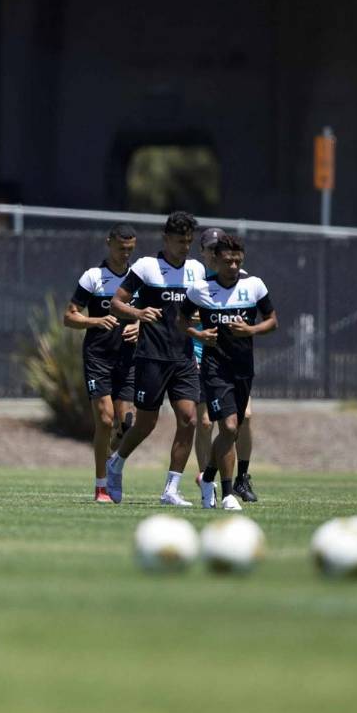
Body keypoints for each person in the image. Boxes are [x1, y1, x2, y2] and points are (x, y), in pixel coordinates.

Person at [105, 211, 206, 505]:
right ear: (166, 239)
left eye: (188, 241)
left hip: (184, 358)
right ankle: (117, 462)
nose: (185, 247)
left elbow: (196, 308)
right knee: (146, 423)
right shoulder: (147, 267)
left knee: (188, 420)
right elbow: (116, 304)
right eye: (179, 241)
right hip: (152, 357)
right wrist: (138, 313)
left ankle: (171, 490)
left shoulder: (197, 270)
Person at [180, 233, 277, 510]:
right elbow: (181, 320)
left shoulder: (254, 285)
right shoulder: (200, 289)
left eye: (237, 260)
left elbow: (272, 321)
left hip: (244, 368)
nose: (233, 266)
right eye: (227, 260)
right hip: (215, 367)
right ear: (216, 259)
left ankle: (207, 478)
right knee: (229, 426)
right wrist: (197, 336)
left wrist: (251, 330)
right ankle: (227, 494)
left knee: (232, 431)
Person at [64, 223, 140, 502]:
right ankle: (101, 486)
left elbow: (152, 315)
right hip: (98, 356)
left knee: (129, 422)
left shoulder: (138, 277)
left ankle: (112, 462)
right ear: (109, 243)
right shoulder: (93, 277)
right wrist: (96, 320)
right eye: (121, 248)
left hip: (128, 358)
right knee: (105, 420)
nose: (125, 254)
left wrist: (139, 327)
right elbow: (69, 316)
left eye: (130, 249)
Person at [190, 227, 258, 502]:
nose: (217, 253)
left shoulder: (239, 278)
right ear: (204, 252)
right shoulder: (196, 278)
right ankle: (206, 480)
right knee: (206, 422)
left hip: (234, 358)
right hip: (199, 354)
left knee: (245, 418)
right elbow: (184, 314)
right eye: (211, 248)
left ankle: (241, 477)